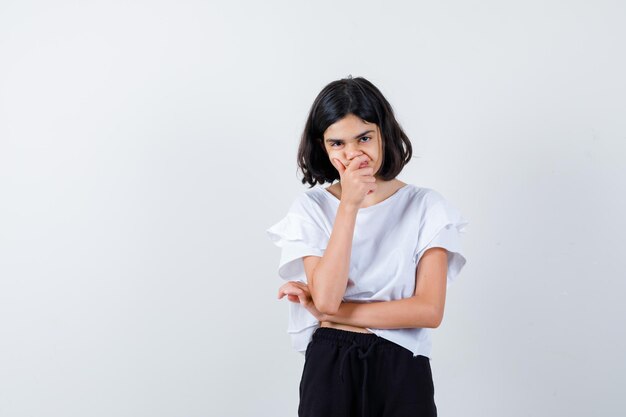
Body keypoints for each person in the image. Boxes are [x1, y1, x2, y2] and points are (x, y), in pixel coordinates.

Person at [265, 75, 469, 417]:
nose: (352, 154)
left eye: (363, 138)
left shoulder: (426, 207)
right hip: (331, 365)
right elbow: (328, 297)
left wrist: (332, 313)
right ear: (323, 146)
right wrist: (349, 206)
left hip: (402, 363)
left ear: (383, 134)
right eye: (337, 144)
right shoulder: (311, 208)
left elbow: (428, 311)